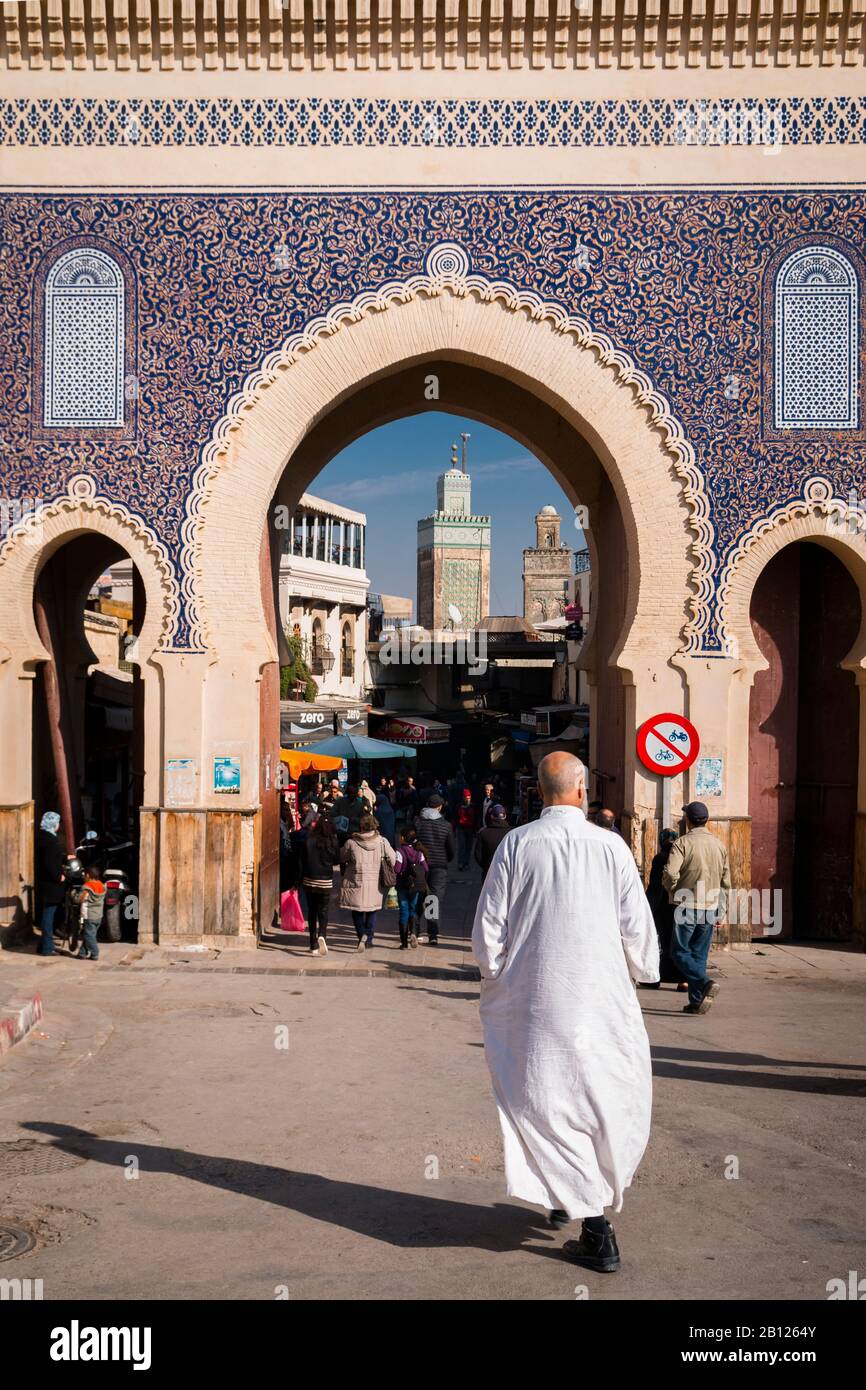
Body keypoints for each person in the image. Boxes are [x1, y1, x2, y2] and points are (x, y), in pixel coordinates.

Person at [472, 751, 659, 1274]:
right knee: (600, 1096)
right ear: (580, 790)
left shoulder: (516, 843)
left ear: (539, 792)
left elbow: (489, 928)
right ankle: (584, 1213)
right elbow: (637, 927)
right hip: (600, 999)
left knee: (542, 1098)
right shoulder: (612, 847)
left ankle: (589, 1220)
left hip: (535, 1000)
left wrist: (495, 974)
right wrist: (643, 970)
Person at [663, 800, 731, 1015]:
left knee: (679, 952)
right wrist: (722, 909)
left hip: (687, 905)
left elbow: (670, 873)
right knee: (699, 955)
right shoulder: (719, 845)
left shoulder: (682, 843)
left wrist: (671, 889)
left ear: (688, 821)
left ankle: (704, 983)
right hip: (710, 906)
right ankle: (696, 1001)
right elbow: (725, 881)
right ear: (707, 820)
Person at [339, 811, 396, 952]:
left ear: (361, 827)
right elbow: (393, 860)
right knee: (371, 911)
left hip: (356, 880)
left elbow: (341, 857)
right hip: (375, 881)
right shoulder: (383, 841)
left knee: (357, 911)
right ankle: (369, 938)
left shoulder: (351, 842)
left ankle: (361, 934)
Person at [644, 829, 688, 991]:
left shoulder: (660, 858)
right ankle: (683, 980)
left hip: (662, 906)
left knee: (660, 943)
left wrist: (648, 905)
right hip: (680, 905)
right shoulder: (681, 857)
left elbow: (655, 886)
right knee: (679, 942)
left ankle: (656, 979)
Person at [413, 794, 455, 946]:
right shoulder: (446, 825)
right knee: (434, 899)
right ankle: (433, 934)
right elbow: (451, 850)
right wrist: (444, 859)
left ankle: (415, 930)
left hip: (420, 865)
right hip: (439, 867)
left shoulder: (418, 823)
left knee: (418, 896)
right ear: (439, 807)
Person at [300, 813, 338, 955]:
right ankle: (322, 934)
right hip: (325, 881)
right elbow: (336, 861)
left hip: (309, 880)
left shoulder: (308, 840)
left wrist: (297, 882)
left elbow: (301, 863)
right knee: (323, 911)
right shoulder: (333, 841)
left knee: (312, 912)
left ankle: (313, 943)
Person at [35, 810, 66, 956]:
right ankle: (47, 948)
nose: (58, 825)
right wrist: (59, 876)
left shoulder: (44, 838)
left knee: (48, 915)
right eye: (57, 822)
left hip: (46, 884)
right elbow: (49, 863)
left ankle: (44, 946)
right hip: (51, 885)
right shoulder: (51, 841)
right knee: (48, 917)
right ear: (53, 824)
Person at [394, 826, 428, 949]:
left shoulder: (400, 851)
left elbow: (397, 869)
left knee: (404, 910)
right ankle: (413, 933)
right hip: (416, 886)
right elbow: (425, 868)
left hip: (403, 885)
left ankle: (403, 943)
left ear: (402, 838)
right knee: (413, 909)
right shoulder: (419, 852)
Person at [473, 804, 511, 879]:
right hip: (507, 872)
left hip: (489, 871)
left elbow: (478, 855)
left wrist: (486, 865)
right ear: (505, 816)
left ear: (492, 816)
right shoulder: (512, 833)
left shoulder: (484, 833)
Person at [73, 877, 106, 960]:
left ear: (88, 875)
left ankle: (95, 953)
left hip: (89, 915)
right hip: (98, 915)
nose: (83, 877)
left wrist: (73, 894)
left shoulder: (87, 887)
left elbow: (79, 899)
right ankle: (82, 953)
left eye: (85, 875)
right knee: (90, 934)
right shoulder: (101, 885)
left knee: (89, 935)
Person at [455, 788, 477, 870]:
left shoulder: (473, 806)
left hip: (470, 829)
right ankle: (461, 863)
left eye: (469, 797)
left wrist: (475, 829)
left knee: (468, 847)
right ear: (463, 797)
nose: (468, 799)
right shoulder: (458, 806)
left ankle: (466, 863)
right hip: (461, 828)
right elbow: (455, 818)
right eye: (466, 797)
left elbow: (476, 818)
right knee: (462, 846)